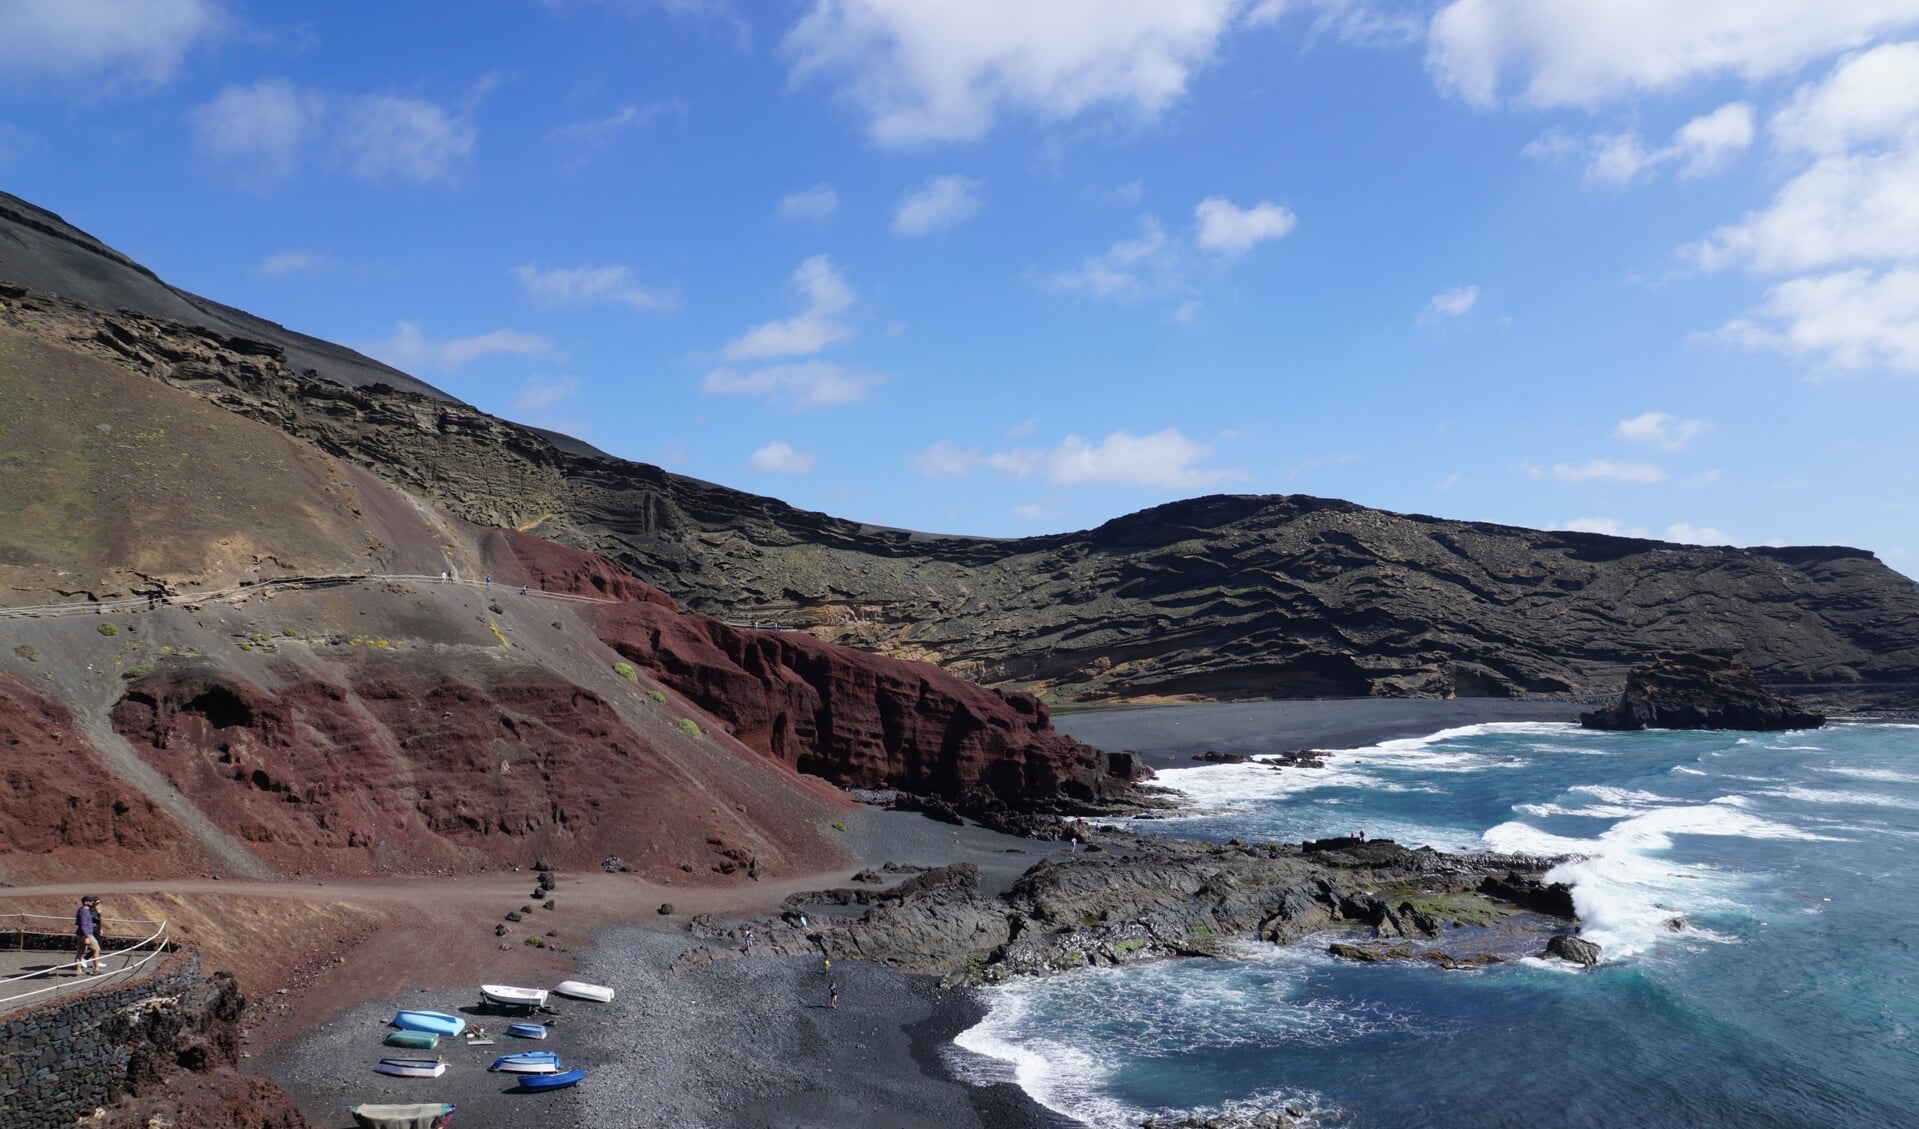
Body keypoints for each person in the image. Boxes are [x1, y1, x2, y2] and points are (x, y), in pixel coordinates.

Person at [74, 895, 102, 975]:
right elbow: (83, 925)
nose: (92, 902)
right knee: (96, 949)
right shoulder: (84, 911)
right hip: (86, 934)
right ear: (86, 902)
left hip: (82, 934)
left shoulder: (84, 910)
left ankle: (78, 970)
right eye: (91, 901)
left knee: (80, 952)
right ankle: (96, 969)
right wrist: (86, 936)